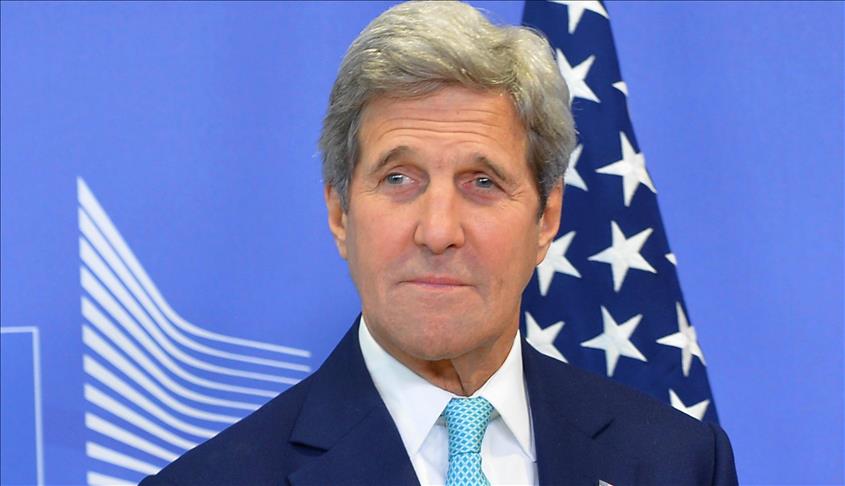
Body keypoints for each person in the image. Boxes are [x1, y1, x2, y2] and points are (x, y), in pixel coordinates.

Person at [142, 2, 738, 485]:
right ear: (340, 212)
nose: (438, 232)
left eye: (482, 182)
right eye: (399, 179)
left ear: (546, 218)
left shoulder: (679, 463)